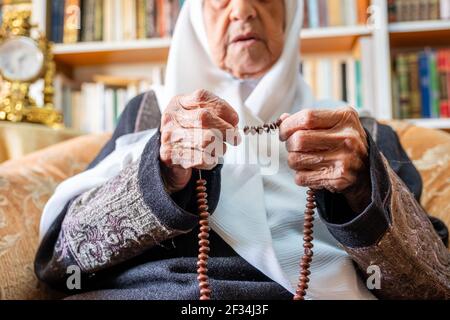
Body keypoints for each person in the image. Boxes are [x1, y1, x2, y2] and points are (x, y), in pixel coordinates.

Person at [35, 0, 449, 300]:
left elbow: (431, 284)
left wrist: (360, 187)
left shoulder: (356, 133)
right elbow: (61, 263)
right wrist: (161, 170)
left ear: (291, 14)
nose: (243, 10)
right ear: (195, 19)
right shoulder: (150, 115)